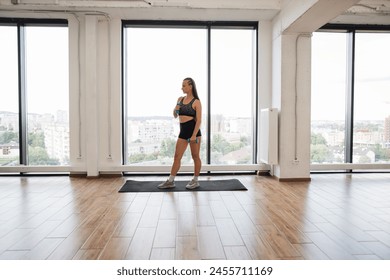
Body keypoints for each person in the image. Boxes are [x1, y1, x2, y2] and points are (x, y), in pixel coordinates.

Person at [158, 77, 202, 190]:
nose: (182, 87)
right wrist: (176, 107)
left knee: (195, 156)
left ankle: (196, 180)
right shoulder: (180, 99)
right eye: (182, 85)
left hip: (194, 132)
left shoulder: (196, 102)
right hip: (183, 132)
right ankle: (170, 181)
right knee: (177, 156)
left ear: (190, 86)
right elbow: (175, 115)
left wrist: (193, 135)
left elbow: (199, 121)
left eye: (184, 85)